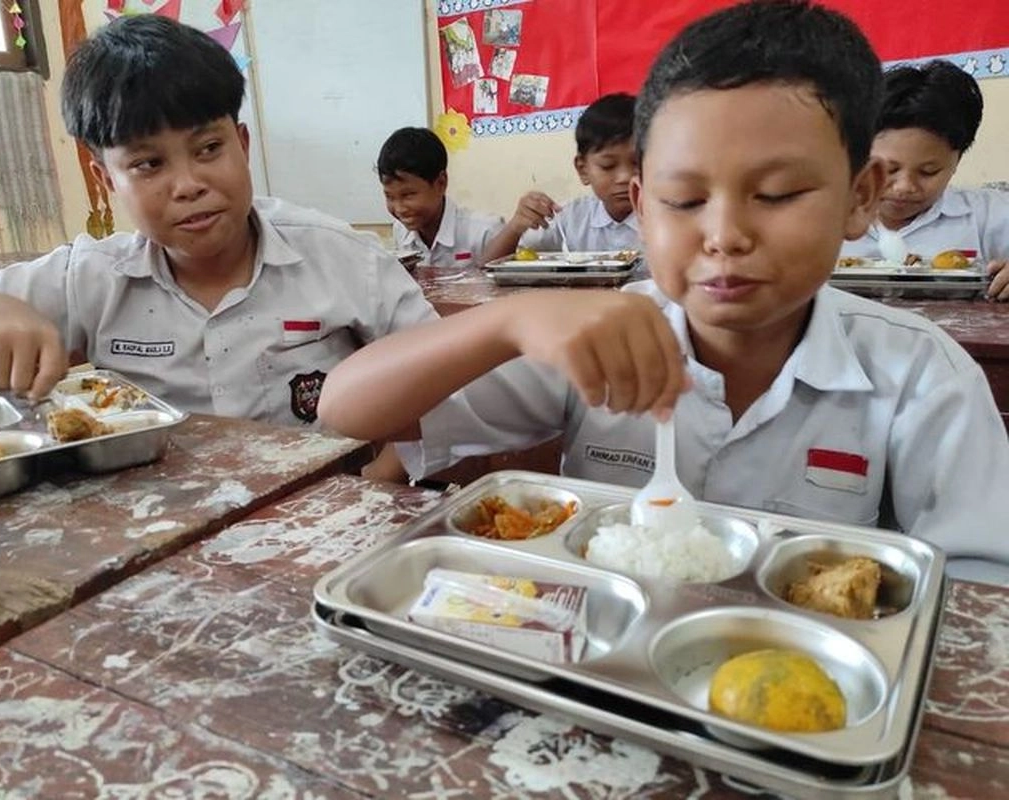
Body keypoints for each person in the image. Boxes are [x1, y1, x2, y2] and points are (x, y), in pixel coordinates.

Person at [319, 1, 1009, 583]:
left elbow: (983, 600)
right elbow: (347, 412)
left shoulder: (922, 376)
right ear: (644, 206)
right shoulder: (603, 337)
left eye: (776, 194)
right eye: (684, 199)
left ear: (860, 198)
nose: (726, 234)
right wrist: (512, 320)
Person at [0, 15, 437, 438]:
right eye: (148, 164)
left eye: (208, 148)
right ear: (105, 176)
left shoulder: (341, 257)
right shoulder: (92, 276)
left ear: (242, 145)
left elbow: (441, 384)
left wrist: (379, 471)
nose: (187, 184)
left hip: (326, 524)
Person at [838, 61, 1009, 300]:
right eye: (889, 169)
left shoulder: (985, 216)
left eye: (928, 172)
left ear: (956, 162)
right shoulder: (826, 217)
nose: (904, 187)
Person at [482, 93, 641, 261]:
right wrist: (515, 227)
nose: (624, 177)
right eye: (607, 166)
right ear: (583, 170)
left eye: (637, 163)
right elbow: (488, 266)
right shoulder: (569, 219)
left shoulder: (667, 218)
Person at [378, 127, 503, 267]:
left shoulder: (486, 232)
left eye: (408, 195)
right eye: (389, 197)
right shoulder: (401, 231)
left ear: (441, 183)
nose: (399, 208)